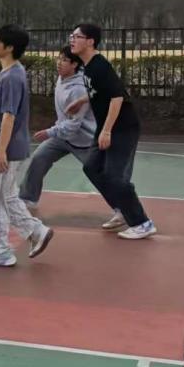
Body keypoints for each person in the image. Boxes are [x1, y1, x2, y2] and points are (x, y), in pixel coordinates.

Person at [0, 24, 55, 267]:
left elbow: (10, 116)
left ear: (9, 47)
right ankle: (36, 232)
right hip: (10, 145)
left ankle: (0, 252)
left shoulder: (11, 77)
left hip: (6, 148)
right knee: (6, 196)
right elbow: (4, 110)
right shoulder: (12, 72)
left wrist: (1, 151)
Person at [69, 22, 156, 239]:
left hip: (123, 127)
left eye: (77, 36)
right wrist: (82, 100)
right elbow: (101, 91)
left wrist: (107, 131)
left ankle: (142, 223)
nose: (72, 40)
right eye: (72, 36)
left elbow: (117, 97)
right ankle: (122, 209)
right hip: (107, 126)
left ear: (90, 41)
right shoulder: (88, 66)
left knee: (115, 177)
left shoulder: (100, 66)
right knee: (91, 167)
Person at [18, 45, 96, 210]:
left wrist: (50, 132)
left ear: (74, 64)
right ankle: (27, 199)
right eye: (58, 59)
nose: (59, 63)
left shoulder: (78, 89)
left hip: (84, 142)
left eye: (64, 60)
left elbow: (74, 124)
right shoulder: (62, 78)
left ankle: (122, 208)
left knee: (100, 175)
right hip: (62, 137)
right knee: (39, 158)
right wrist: (56, 131)